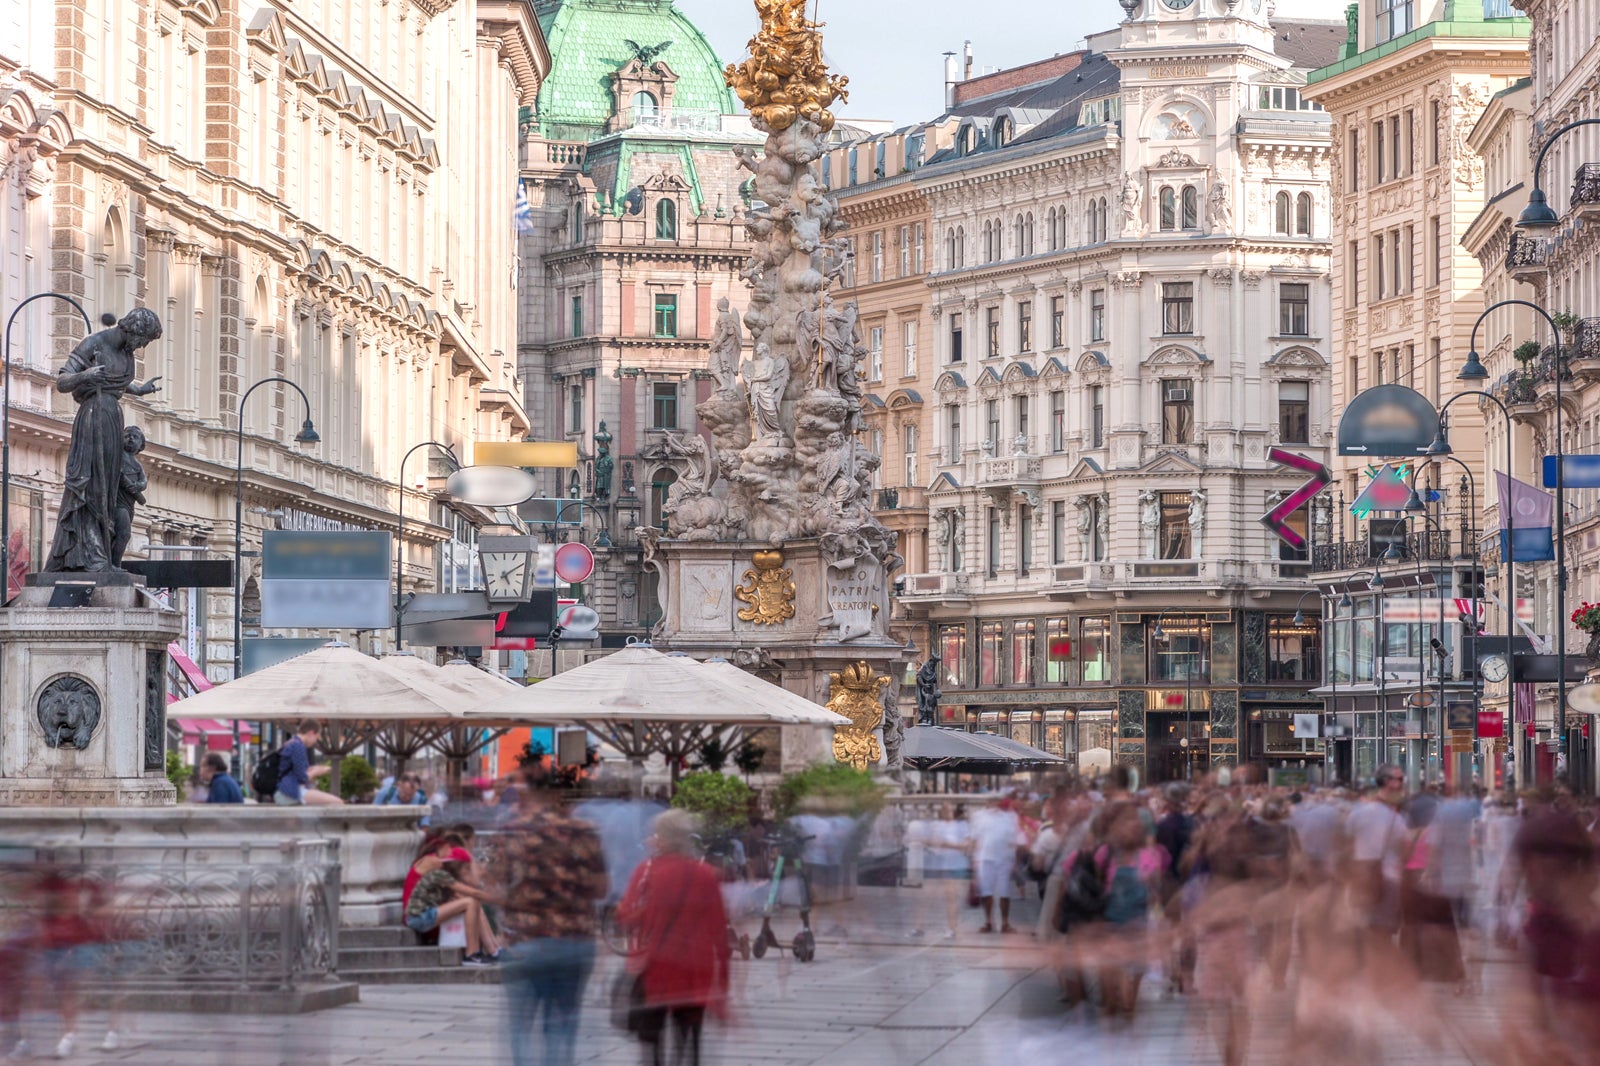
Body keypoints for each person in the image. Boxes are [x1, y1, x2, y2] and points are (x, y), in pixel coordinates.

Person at [491, 767, 608, 1066]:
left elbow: (496, 886)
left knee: (520, 1028)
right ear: (557, 795)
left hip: (525, 941)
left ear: (524, 793)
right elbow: (600, 888)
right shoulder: (583, 831)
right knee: (562, 1026)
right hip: (574, 940)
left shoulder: (511, 832)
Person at [617, 810, 732, 1066]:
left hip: (657, 968)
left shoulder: (646, 872)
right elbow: (719, 932)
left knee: (653, 1044)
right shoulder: (706, 875)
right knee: (690, 1042)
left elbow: (629, 918)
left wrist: (622, 910)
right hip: (695, 971)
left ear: (663, 838)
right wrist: (722, 984)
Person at [403, 835, 499, 965]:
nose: (449, 852)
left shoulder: (437, 870)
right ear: (438, 848)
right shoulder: (433, 864)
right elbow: (469, 891)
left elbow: (459, 893)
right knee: (470, 902)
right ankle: (471, 954)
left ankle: (494, 950)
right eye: (447, 849)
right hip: (419, 917)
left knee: (474, 904)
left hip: (427, 914)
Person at [970, 797, 1023, 933]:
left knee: (1004, 891)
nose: (993, 804)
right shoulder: (979, 816)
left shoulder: (1010, 817)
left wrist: (1014, 860)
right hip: (985, 859)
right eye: (991, 801)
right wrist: (975, 860)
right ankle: (988, 921)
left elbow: (1014, 839)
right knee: (986, 891)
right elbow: (976, 839)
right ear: (986, 803)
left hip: (1004, 860)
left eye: (996, 801)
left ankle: (1005, 923)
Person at [274, 720, 342, 807]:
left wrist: (313, 769)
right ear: (311, 733)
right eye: (316, 738)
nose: (315, 742)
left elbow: (295, 770)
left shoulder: (291, 743)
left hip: (286, 789)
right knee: (337, 802)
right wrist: (316, 772)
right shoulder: (298, 746)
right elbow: (302, 778)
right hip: (292, 790)